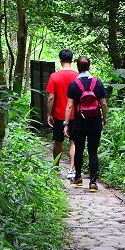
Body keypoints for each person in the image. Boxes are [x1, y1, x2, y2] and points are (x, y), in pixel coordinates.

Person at [64, 56, 108, 192]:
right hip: (95, 122)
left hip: (79, 122)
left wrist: (66, 124)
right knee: (93, 152)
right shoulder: (97, 82)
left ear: (77, 67)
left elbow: (70, 106)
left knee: (79, 150)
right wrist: (104, 118)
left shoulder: (73, 84)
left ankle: (77, 178)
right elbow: (104, 103)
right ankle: (93, 183)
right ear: (89, 66)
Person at [46, 49, 79, 179]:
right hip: (75, 114)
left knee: (58, 142)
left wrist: (49, 114)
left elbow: (50, 98)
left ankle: (56, 168)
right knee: (74, 142)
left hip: (59, 114)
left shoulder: (54, 76)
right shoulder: (77, 76)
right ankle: (72, 169)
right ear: (72, 60)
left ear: (60, 61)